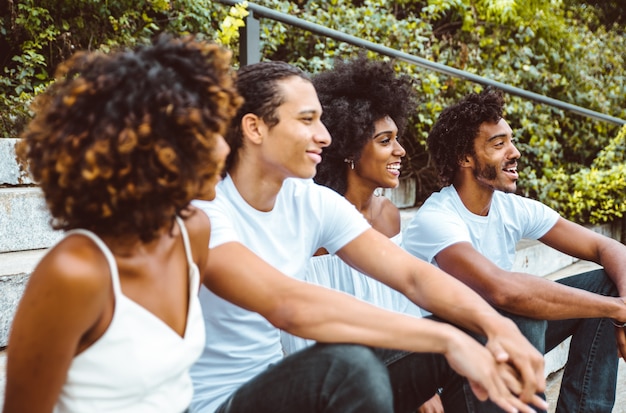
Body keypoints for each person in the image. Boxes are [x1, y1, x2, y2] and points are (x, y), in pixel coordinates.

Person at [189, 60, 548, 413]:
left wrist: (494, 324)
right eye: (306, 120)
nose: (324, 136)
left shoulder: (311, 201)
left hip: (288, 384)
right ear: (254, 128)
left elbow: (413, 275)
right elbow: (288, 305)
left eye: (321, 120)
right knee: (348, 366)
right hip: (221, 402)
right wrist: (445, 339)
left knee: (487, 331)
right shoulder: (206, 210)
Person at [2, 34, 241, 413]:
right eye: (209, 134)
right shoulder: (75, 273)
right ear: (155, 151)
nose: (225, 149)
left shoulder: (192, 231)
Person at [403, 87, 626, 412]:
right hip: (444, 361)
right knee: (524, 313)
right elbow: (502, 291)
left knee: (605, 283)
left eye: (511, 140)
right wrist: (614, 309)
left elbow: (606, 246)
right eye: (498, 144)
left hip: (496, 338)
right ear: (464, 158)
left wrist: (622, 308)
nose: (515, 152)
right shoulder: (437, 219)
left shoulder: (512, 208)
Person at [279, 55, 442, 413]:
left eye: (397, 139)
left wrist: (418, 380)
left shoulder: (388, 215)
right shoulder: (316, 223)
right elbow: (305, 334)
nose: (400, 151)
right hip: (333, 372)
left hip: (390, 358)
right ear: (351, 150)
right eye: (385, 141)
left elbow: (403, 304)